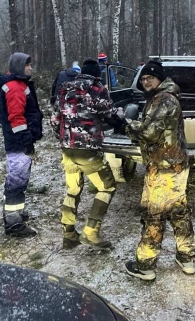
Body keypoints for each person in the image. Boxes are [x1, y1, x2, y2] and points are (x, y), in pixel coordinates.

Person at [123, 60, 195, 281]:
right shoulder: (163, 96)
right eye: (143, 79)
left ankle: (145, 265)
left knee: (154, 214)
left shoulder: (164, 99)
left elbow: (149, 132)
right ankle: (187, 258)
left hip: (164, 168)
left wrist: (124, 124)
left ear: (159, 79)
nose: (146, 82)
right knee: (178, 211)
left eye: (150, 78)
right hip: (173, 164)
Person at [51, 58, 126, 250]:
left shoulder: (64, 89)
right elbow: (109, 114)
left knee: (73, 190)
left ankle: (68, 234)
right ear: (97, 75)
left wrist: (65, 138)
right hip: (88, 150)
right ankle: (91, 232)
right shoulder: (97, 90)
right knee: (107, 187)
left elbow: (55, 119)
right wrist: (122, 126)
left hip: (67, 149)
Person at [0, 52, 43, 237]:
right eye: (27, 65)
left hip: (18, 141)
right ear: (18, 66)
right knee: (16, 180)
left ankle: (17, 213)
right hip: (18, 143)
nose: (30, 68)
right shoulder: (15, 88)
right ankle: (13, 223)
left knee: (20, 179)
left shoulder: (18, 85)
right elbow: (16, 118)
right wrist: (25, 140)